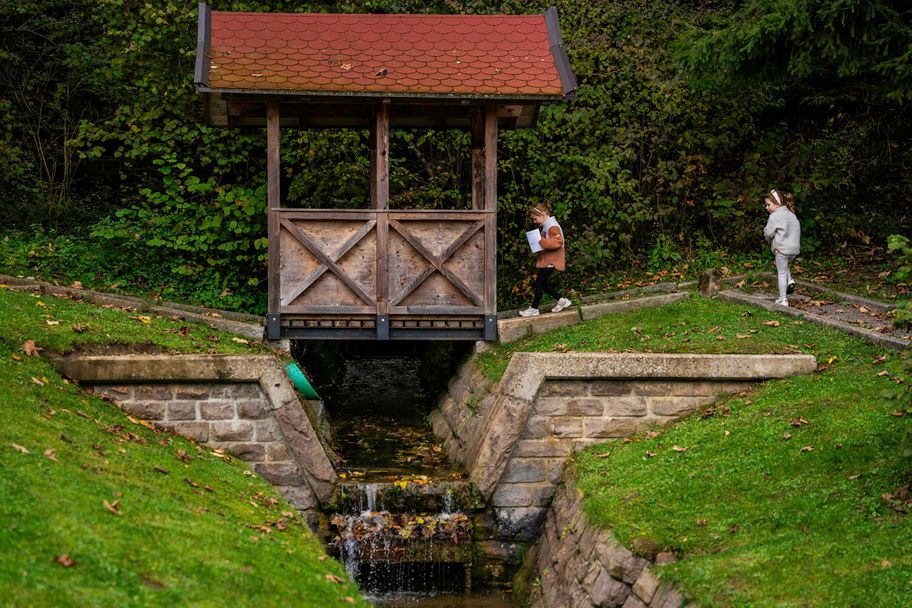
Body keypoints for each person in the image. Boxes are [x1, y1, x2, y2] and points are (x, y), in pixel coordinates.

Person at [519, 202, 572, 317]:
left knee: (539, 284)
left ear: (543, 214)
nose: (534, 221)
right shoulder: (548, 225)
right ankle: (562, 300)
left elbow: (558, 242)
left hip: (551, 261)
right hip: (548, 260)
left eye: (535, 218)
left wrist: (541, 241)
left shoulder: (552, 226)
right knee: (543, 284)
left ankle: (534, 309)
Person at [763, 189, 800, 306]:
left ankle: (783, 299)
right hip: (794, 250)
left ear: (778, 204)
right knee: (784, 266)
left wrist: (770, 241)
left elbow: (768, 233)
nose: (766, 207)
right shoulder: (792, 215)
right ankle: (790, 280)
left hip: (781, 249)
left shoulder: (775, 216)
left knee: (781, 272)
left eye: (768, 204)